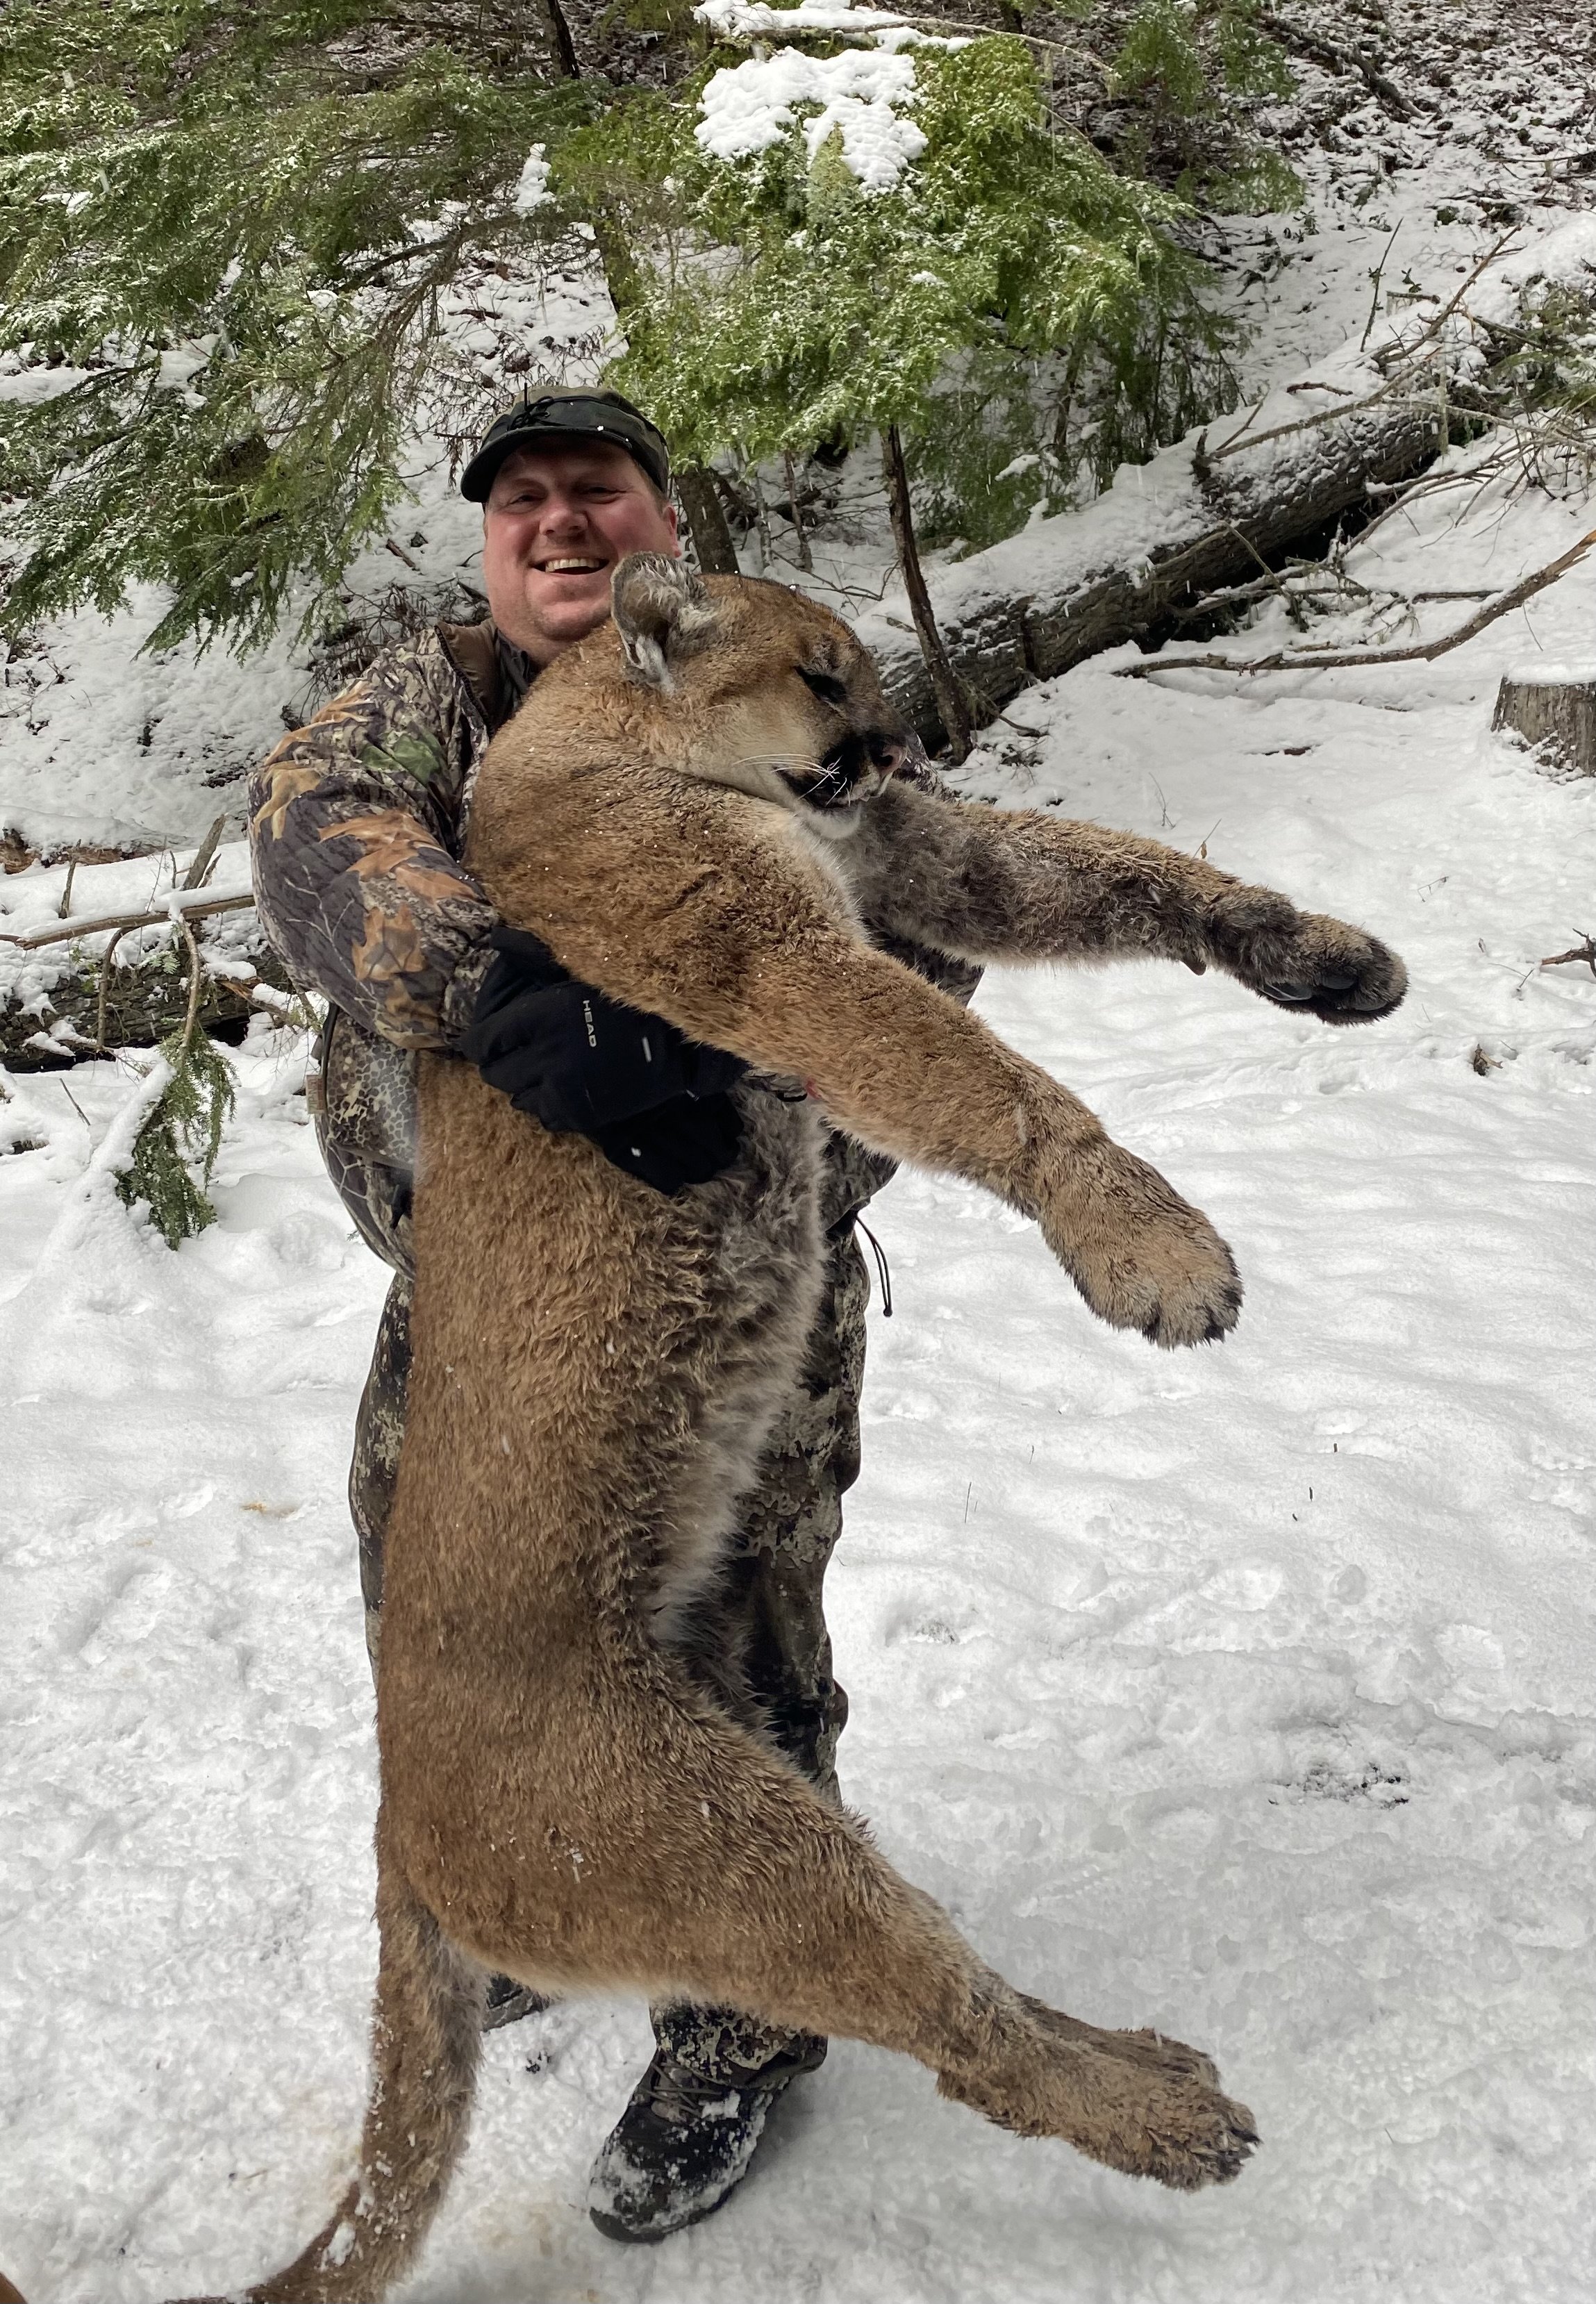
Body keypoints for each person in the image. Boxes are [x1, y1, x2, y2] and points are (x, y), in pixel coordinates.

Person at [247, 390, 977, 2244]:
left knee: (724, 1648)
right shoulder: (427, 701)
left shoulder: (790, 701)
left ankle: (741, 2019)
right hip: (479, 1311)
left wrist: (740, 1048)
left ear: (666, 537)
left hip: (726, 1303)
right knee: (453, 1630)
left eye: (602, 495)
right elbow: (315, 835)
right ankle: (553, 1889)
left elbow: (935, 919)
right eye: (525, 504)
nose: (562, 526)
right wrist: (494, 985)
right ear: (488, 544)